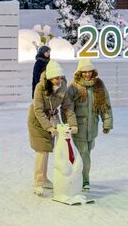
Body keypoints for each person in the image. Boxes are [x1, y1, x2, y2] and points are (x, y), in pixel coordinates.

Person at [28, 60, 78, 196]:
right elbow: (38, 110)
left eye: (60, 77)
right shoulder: (40, 87)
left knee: (50, 149)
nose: (59, 80)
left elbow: (67, 107)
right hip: (37, 122)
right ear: (50, 78)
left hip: (52, 118)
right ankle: (38, 182)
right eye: (56, 78)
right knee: (42, 151)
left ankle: (44, 179)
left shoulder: (63, 87)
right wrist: (49, 127)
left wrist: (73, 124)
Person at [67, 59, 113, 191]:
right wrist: (71, 124)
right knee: (84, 154)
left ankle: (79, 176)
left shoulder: (99, 85)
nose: (87, 74)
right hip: (79, 128)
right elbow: (67, 108)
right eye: (84, 72)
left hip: (93, 126)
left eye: (89, 71)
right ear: (79, 72)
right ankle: (85, 180)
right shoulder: (73, 87)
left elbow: (105, 105)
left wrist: (107, 122)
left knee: (87, 152)